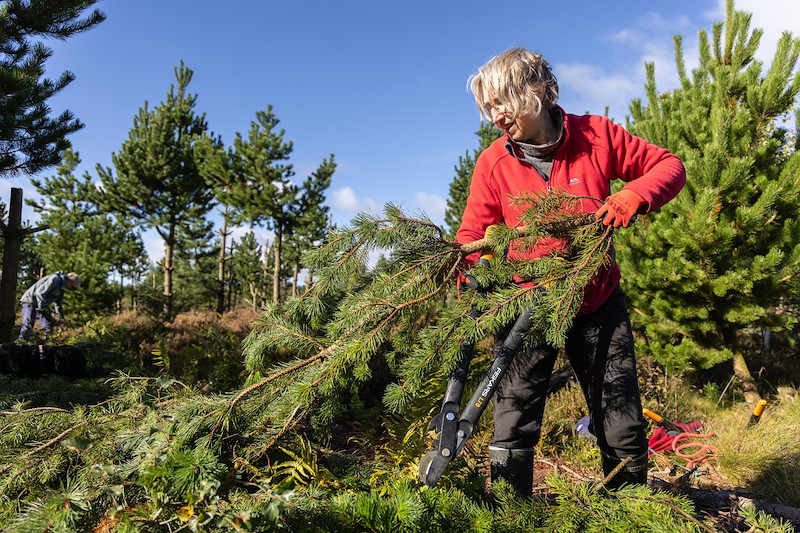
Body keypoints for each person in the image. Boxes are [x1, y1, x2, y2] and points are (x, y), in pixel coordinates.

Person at [456, 48, 686, 494]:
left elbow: (669, 165)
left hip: (597, 302)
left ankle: (631, 509)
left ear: (537, 91)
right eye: (488, 108)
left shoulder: (596, 136)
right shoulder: (493, 163)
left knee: (621, 422)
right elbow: (473, 234)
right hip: (527, 305)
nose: (495, 116)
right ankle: (510, 512)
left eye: (502, 102)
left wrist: (634, 195)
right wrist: (473, 273)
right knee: (514, 418)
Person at [18, 271, 81, 341]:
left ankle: (46, 344)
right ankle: (20, 342)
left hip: (41, 305)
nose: (71, 287)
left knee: (49, 325)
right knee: (28, 324)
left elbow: (58, 304)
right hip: (30, 301)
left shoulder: (61, 287)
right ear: (70, 281)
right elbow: (39, 293)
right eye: (73, 285)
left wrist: (61, 317)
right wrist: (43, 307)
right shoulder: (55, 279)